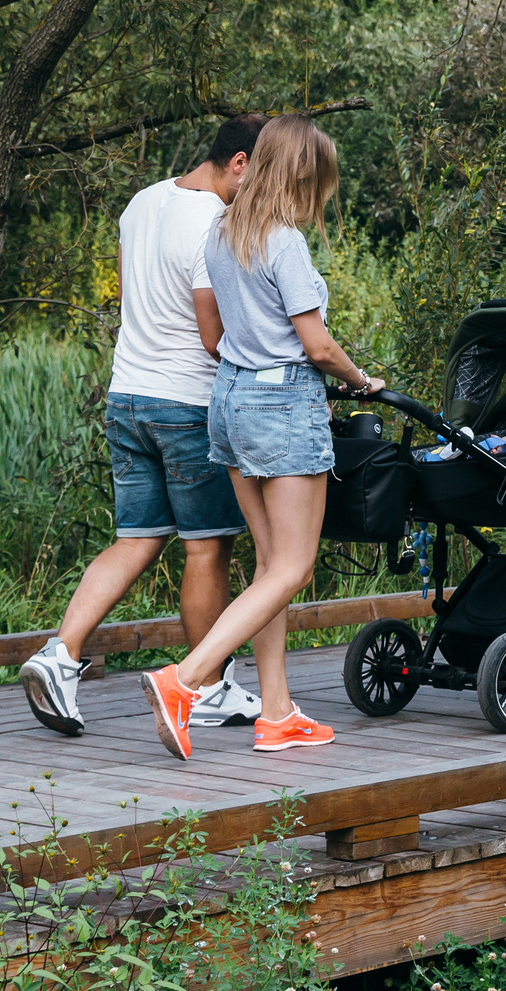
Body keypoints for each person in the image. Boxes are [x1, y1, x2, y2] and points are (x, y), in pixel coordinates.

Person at [20, 115, 271, 738]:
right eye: (264, 176)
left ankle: (59, 655)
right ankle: (207, 687)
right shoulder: (215, 223)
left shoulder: (142, 202)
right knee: (207, 546)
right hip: (186, 403)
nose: (267, 193)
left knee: (136, 538)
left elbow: (138, 298)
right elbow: (212, 336)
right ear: (239, 163)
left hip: (127, 395)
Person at [141, 113, 383, 758]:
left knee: (269, 565)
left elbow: (224, 332)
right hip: (281, 405)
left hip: (230, 400)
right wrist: (361, 381)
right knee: (294, 567)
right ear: (305, 174)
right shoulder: (285, 241)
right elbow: (317, 345)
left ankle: (276, 712)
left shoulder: (223, 232)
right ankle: (186, 679)